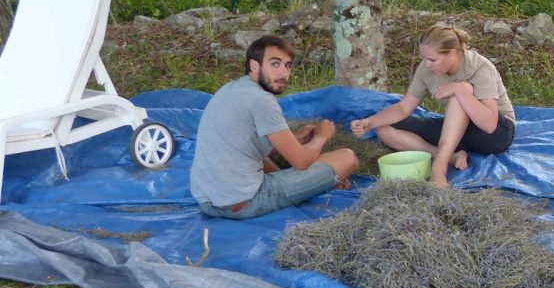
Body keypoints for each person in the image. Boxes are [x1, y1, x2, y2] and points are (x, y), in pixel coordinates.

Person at [190, 35, 359, 219]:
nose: (283, 73)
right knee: (347, 158)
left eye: (287, 65)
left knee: (267, 161)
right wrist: (322, 136)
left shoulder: (230, 89)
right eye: (275, 64)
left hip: (208, 202)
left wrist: (295, 138)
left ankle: (302, 186)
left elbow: (250, 150)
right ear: (254, 66)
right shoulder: (262, 100)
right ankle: (309, 186)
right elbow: (301, 162)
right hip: (245, 203)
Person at [350, 24, 515, 187]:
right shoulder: (426, 69)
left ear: (451, 53)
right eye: (424, 58)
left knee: (461, 91)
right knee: (384, 128)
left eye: (432, 60)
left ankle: (439, 168)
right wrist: (369, 122)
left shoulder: (479, 67)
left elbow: (490, 125)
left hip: (494, 135)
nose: (427, 65)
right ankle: (451, 156)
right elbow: (403, 108)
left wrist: (459, 90)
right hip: (457, 131)